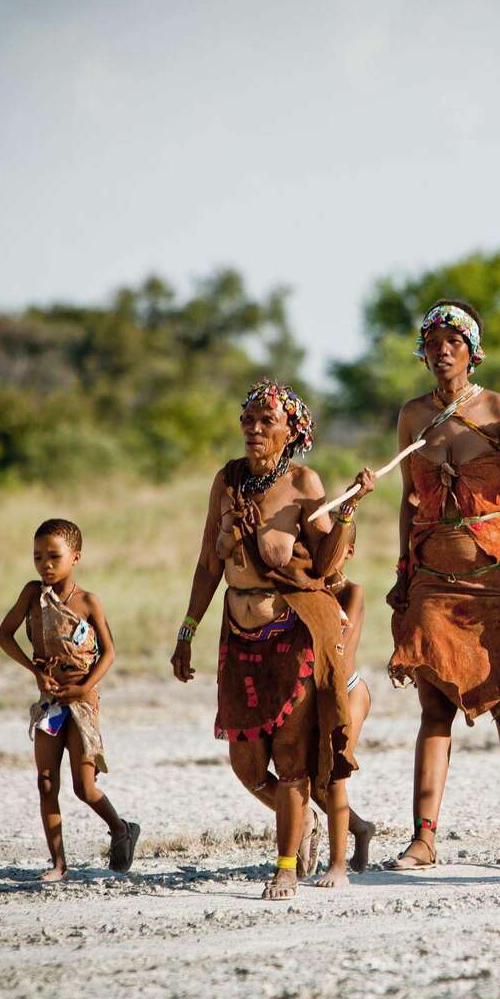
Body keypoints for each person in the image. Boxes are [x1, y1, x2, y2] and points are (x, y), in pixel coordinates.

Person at [170, 380, 375, 898]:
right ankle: (327, 824)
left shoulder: (305, 483)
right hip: (238, 638)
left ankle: (286, 867)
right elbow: (207, 564)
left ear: (291, 432)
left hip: (292, 632)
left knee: (290, 760)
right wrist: (187, 630)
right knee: (245, 764)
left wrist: (348, 512)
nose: (254, 429)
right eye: (249, 420)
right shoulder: (227, 480)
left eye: (267, 421)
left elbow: (328, 563)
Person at [384, 300, 500, 869]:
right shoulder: (411, 417)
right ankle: (424, 838)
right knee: (434, 707)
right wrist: (402, 573)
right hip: (430, 577)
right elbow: (409, 500)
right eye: (432, 342)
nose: (441, 350)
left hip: (494, 579)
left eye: (453, 341)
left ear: (472, 349)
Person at [0, 518, 138, 881]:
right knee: (46, 783)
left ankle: (121, 829)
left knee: (84, 787)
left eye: (54, 556)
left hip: (82, 703)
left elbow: (108, 653)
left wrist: (83, 686)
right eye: (38, 556)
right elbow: (4, 636)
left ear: (75, 557)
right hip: (49, 704)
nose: (45, 564)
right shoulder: (32, 595)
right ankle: (58, 864)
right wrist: (35, 671)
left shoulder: (89, 602)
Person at [239, 553, 377, 875]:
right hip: (313, 692)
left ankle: (338, 863)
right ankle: (359, 828)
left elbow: (336, 650)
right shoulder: (307, 593)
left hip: (347, 691)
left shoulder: (351, 592)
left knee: (332, 777)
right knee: (308, 782)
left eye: (333, 550)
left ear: (349, 552)